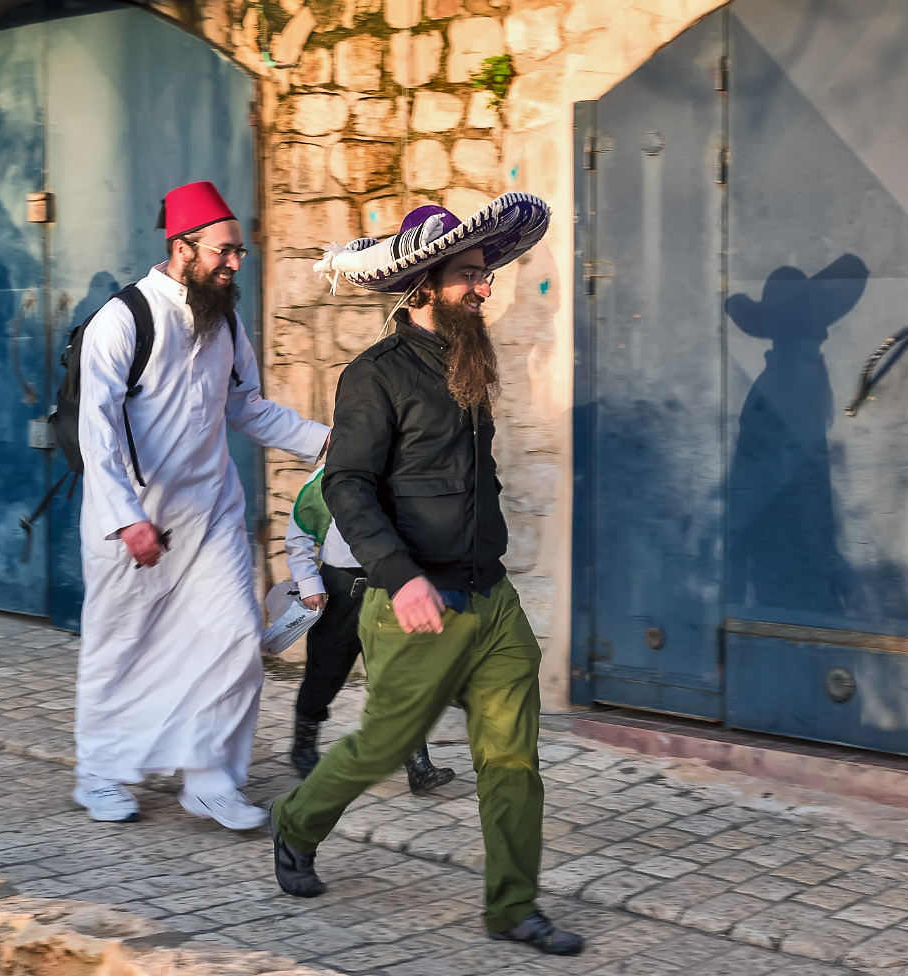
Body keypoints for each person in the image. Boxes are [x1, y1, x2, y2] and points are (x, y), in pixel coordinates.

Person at [268, 193, 584, 956]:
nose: (485, 287)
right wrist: (400, 575)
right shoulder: (372, 377)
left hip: (490, 597)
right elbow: (346, 485)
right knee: (381, 746)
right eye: (470, 275)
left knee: (511, 757)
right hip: (415, 600)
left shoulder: (470, 359)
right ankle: (297, 822)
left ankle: (512, 907)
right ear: (423, 285)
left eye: (485, 273)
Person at [73, 181, 328, 830]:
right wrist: (126, 517)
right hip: (135, 520)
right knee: (120, 646)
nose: (236, 262)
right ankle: (100, 773)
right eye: (225, 250)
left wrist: (327, 443)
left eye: (239, 251)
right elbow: (95, 429)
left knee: (236, 640)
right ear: (182, 246)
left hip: (211, 511)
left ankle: (210, 779)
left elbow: (246, 406)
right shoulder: (123, 319)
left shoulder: (224, 319)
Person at [284, 465, 456, 791]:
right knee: (326, 672)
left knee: (400, 674)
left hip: (391, 586)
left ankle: (417, 764)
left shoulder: (406, 470)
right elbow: (299, 533)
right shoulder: (332, 472)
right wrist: (308, 581)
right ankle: (303, 748)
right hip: (341, 589)